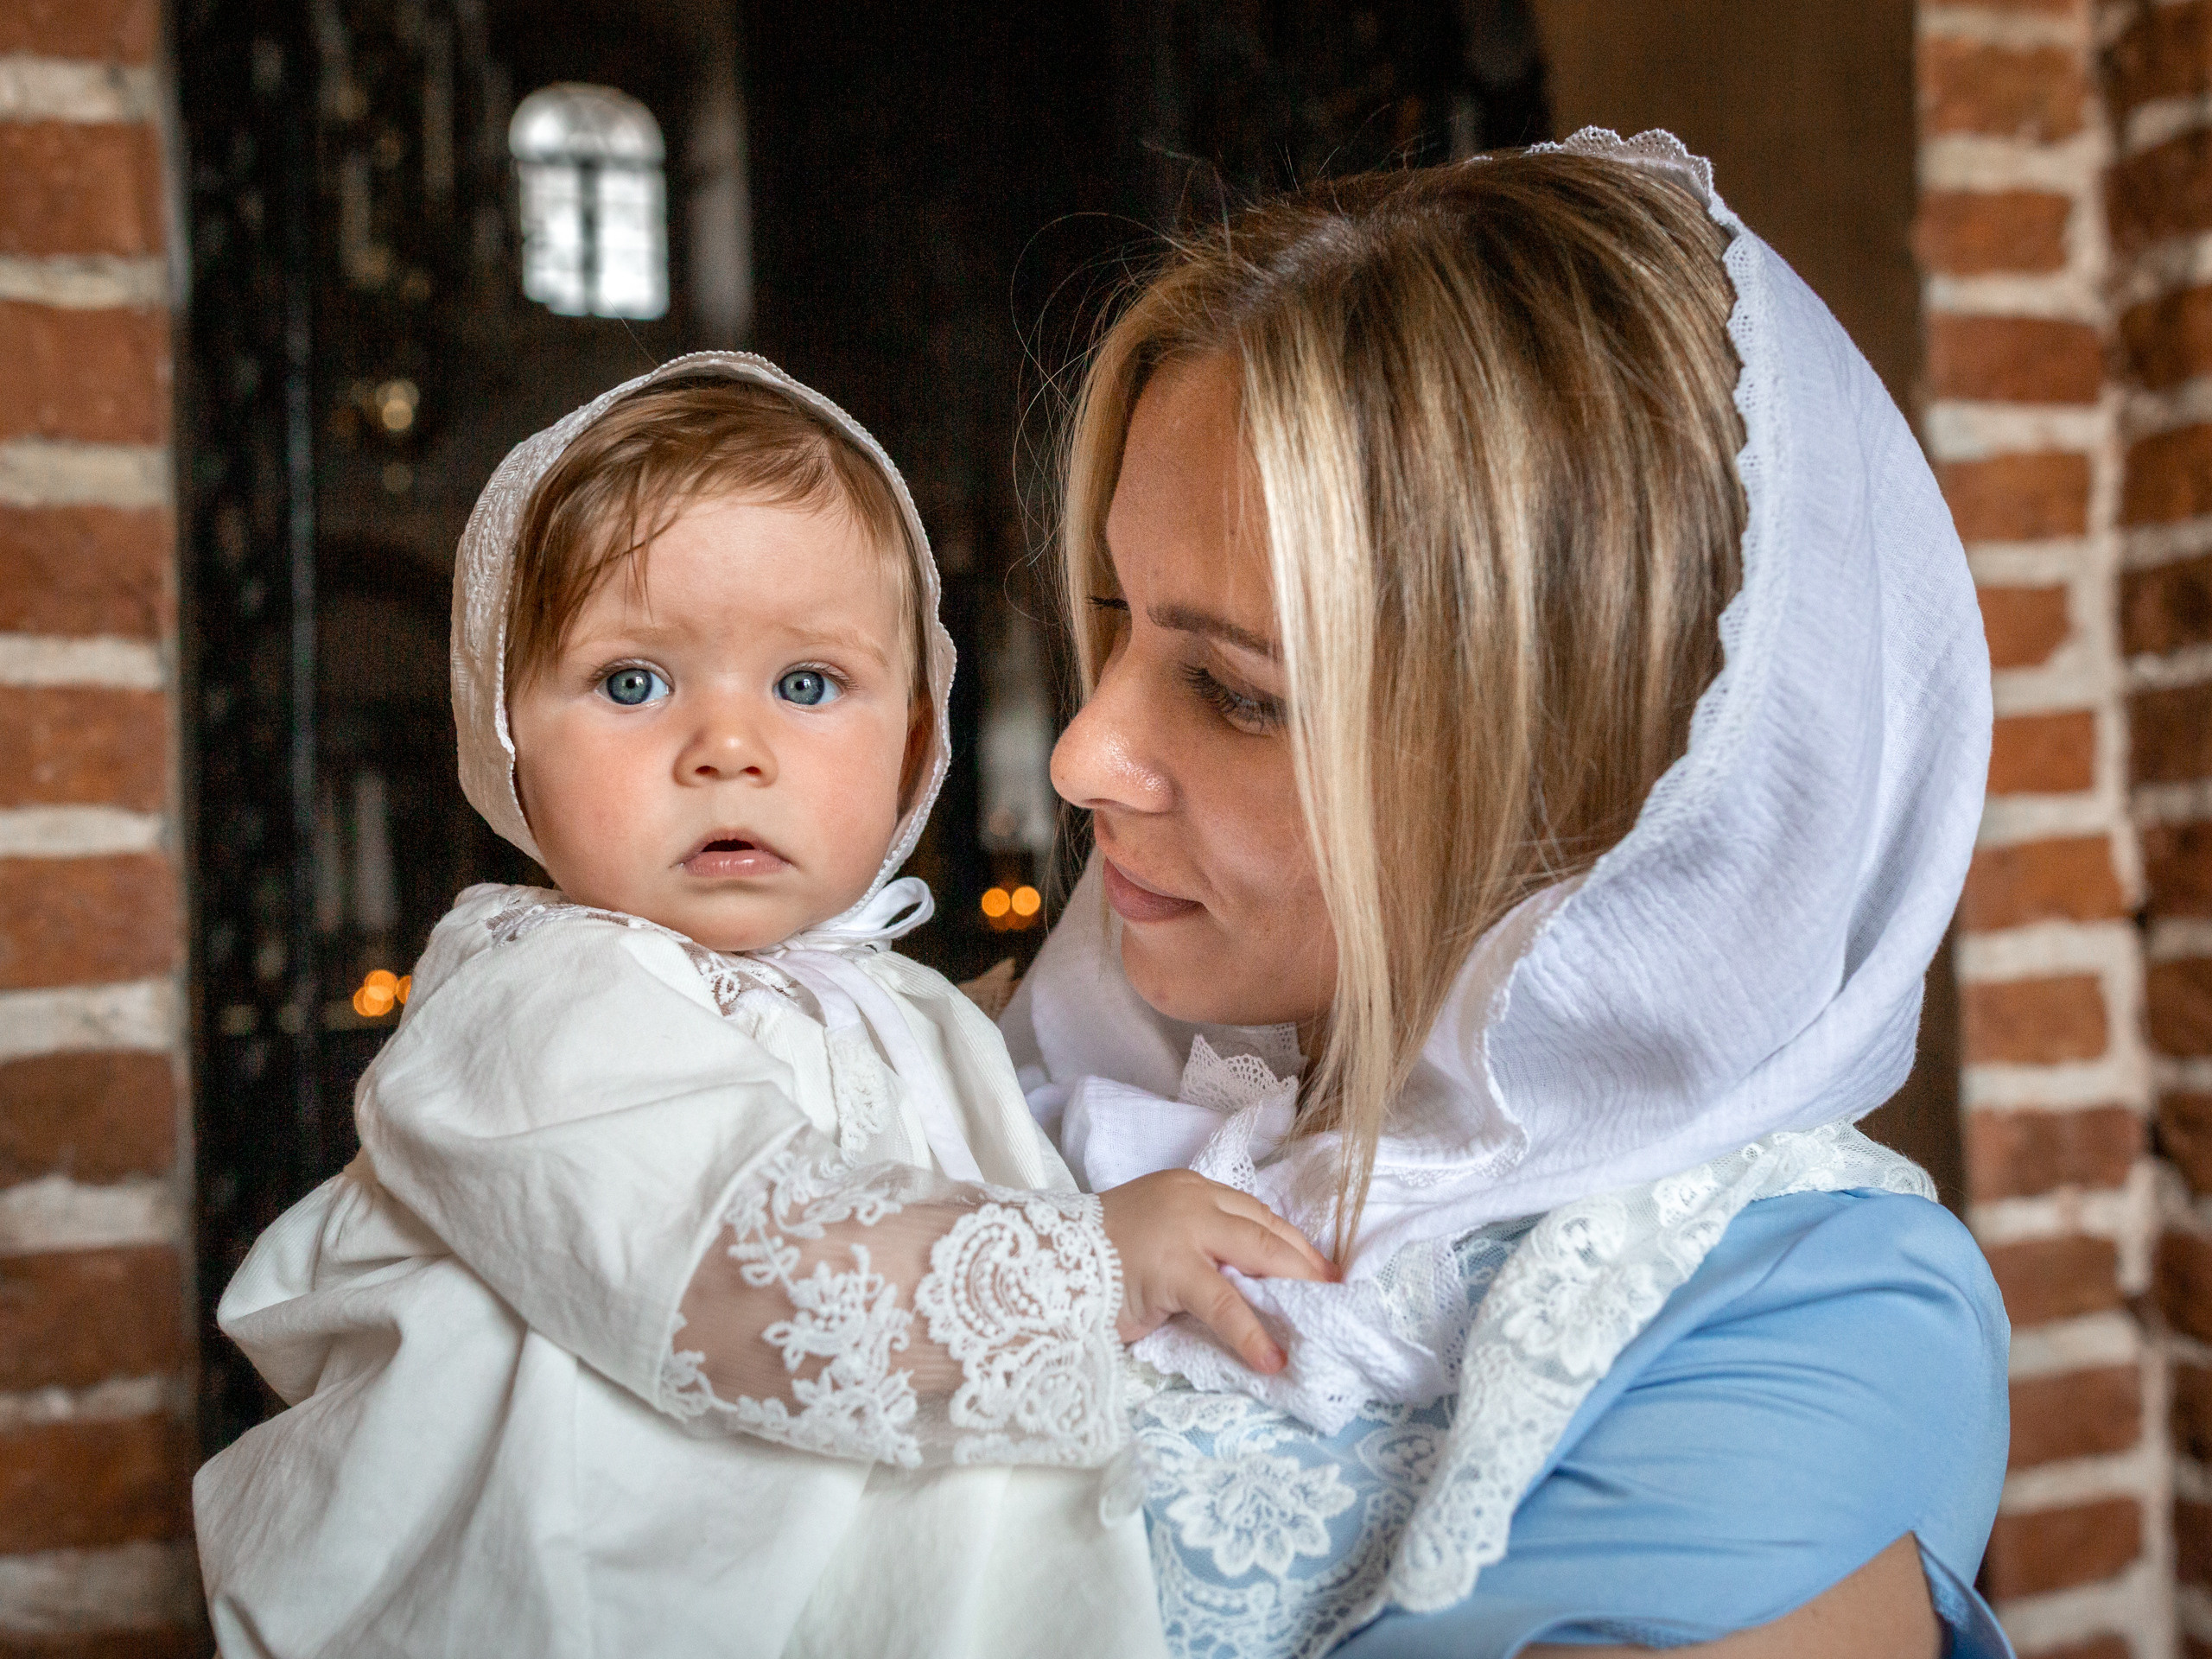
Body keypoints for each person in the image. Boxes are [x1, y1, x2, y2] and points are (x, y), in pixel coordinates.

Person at [1001, 130, 2015, 1657]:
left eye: (1236, 691)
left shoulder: (1798, 1315)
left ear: (1575, 776)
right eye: (1116, 624)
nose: (1088, 755)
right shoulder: (984, 1077)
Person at [191, 355, 1332, 1658]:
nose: (727, 748)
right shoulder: (537, 998)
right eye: (632, 682)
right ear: (502, 731)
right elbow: (730, 1252)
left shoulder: (907, 1008)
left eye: (806, 685)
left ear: (913, 743)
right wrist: (1090, 1268)